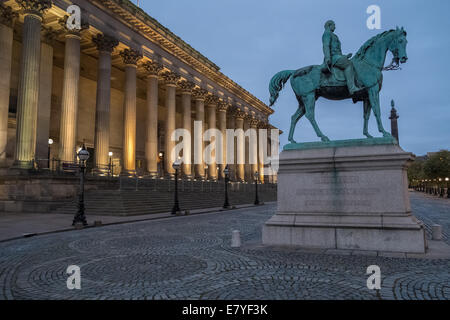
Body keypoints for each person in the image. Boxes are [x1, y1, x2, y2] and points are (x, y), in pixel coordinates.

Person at [322, 20, 361, 95]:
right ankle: (352, 88)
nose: (335, 27)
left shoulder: (333, 35)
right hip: (333, 58)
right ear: (329, 25)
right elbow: (326, 46)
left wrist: (345, 56)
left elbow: (336, 50)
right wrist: (327, 58)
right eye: (334, 25)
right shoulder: (327, 34)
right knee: (348, 65)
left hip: (337, 56)